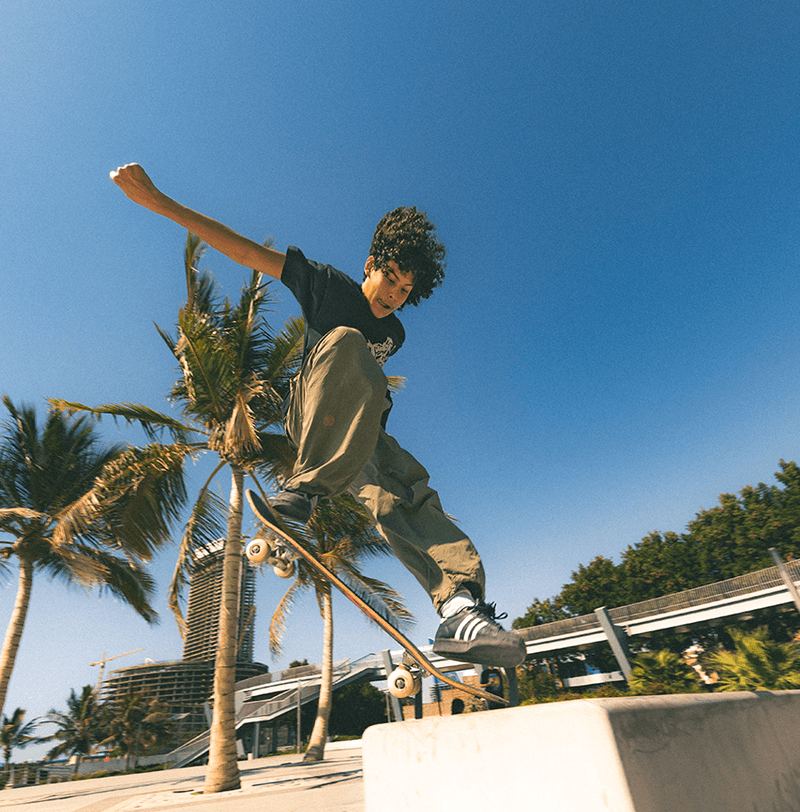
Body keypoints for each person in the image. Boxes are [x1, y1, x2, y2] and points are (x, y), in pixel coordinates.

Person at [110, 164, 526, 668]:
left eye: (404, 291)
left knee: (407, 490)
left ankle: (459, 607)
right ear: (371, 263)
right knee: (349, 343)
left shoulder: (395, 334)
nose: (392, 295)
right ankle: (301, 493)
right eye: (389, 278)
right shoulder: (328, 285)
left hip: (359, 431)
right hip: (308, 412)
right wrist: (159, 201)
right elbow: (246, 251)